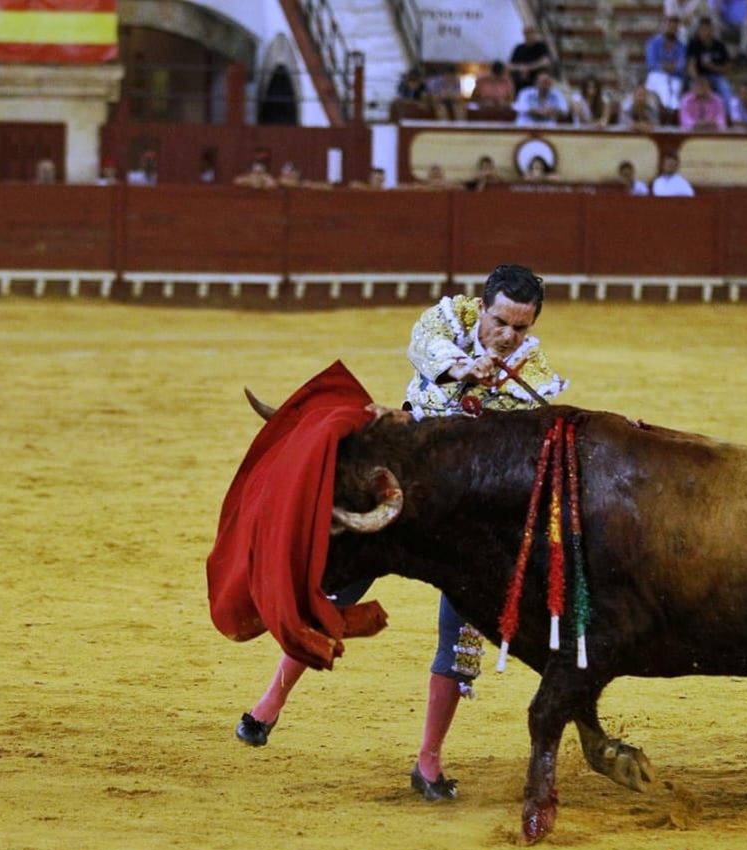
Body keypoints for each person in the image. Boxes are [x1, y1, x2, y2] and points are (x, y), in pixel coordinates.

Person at [236, 265, 568, 804]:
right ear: (481, 309)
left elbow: (518, 457)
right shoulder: (447, 319)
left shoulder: (535, 375)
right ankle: (269, 703)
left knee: (460, 639)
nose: (508, 336)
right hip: (398, 488)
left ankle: (428, 762)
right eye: (502, 322)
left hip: (463, 516)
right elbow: (426, 350)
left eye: (521, 328)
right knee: (332, 590)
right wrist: (469, 367)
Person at [686, 17, 734, 105]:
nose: (706, 33)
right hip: (699, 76)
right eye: (703, 30)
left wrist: (712, 67)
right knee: (692, 89)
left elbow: (728, 68)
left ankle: (727, 115)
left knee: (725, 88)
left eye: (708, 29)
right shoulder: (693, 45)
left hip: (716, 77)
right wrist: (698, 80)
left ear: (713, 30)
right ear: (699, 31)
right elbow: (691, 66)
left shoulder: (720, 45)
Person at [645, 16, 689, 111]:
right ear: (663, 26)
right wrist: (669, 66)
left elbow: (681, 67)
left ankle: (670, 114)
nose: (672, 29)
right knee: (663, 86)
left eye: (674, 27)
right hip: (656, 75)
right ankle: (666, 112)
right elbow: (652, 64)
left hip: (675, 78)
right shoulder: (653, 43)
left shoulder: (681, 47)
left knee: (674, 92)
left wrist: (665, 65)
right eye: (669, 26)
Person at [508, 27, 556, 92]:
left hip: (536, 79)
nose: (529, 35)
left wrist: (528, 68)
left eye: (531, 33)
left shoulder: (541, 46)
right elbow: (509, 66)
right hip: (520, 79)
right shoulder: (519, 48)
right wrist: (520, 68)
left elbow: (545, 62)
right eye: (527, 33)